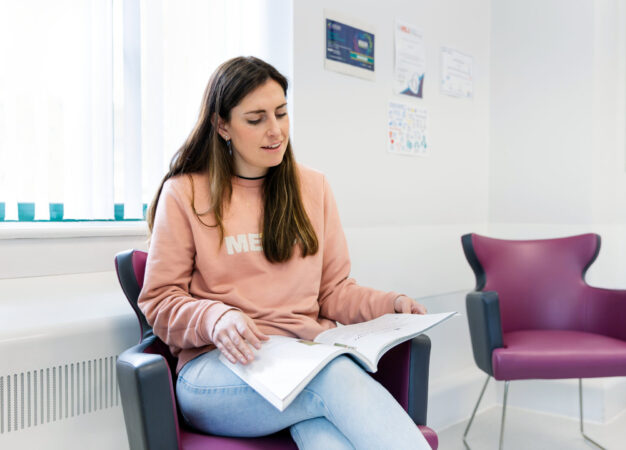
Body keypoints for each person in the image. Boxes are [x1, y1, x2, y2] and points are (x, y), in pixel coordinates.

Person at [138, 56, 431, 450]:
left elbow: (333, 292)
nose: (275, 131)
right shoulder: (186, 193)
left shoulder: (313, 188)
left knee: (327, 435)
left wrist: (390, 304)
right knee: (333, 376)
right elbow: (159, 302)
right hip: (218, 373)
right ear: (221, 124)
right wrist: (214, 316)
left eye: (281, 113)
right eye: (256, 119)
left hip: (302, 357)